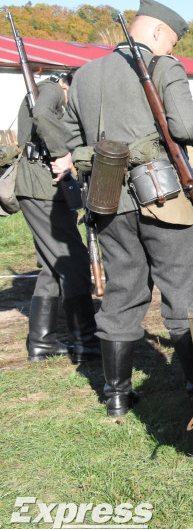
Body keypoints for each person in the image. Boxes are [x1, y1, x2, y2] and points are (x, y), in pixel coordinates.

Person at [62, 0, 193, 416]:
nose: (170, 48)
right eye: (171, 41)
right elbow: (187, 127)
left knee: (123, 291)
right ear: (159, 33)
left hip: (107, 199)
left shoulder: (84, 75)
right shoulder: (165, 66)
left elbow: (69, 138)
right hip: (162, 197)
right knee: (186, 290)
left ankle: (117, 395)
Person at [15, 70, 99, 363]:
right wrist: (62, 153)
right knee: (73, 260)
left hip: (45, 188)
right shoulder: (49, 88)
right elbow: (41, 114)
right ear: (68, 85)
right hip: (41, 188)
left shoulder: (51, 91)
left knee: (53, 267)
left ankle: (41, 343)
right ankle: (86, 340)